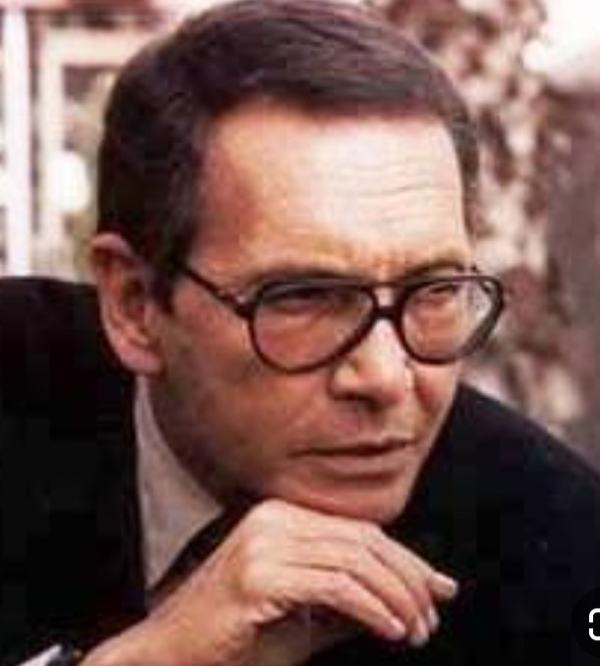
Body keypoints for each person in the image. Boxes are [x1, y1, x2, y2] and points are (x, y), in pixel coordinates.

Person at [1, 1, 599, 664]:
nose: (385, 377)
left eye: (433, 291)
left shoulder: (557, 542)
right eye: (305, 297)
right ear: (135, 304)